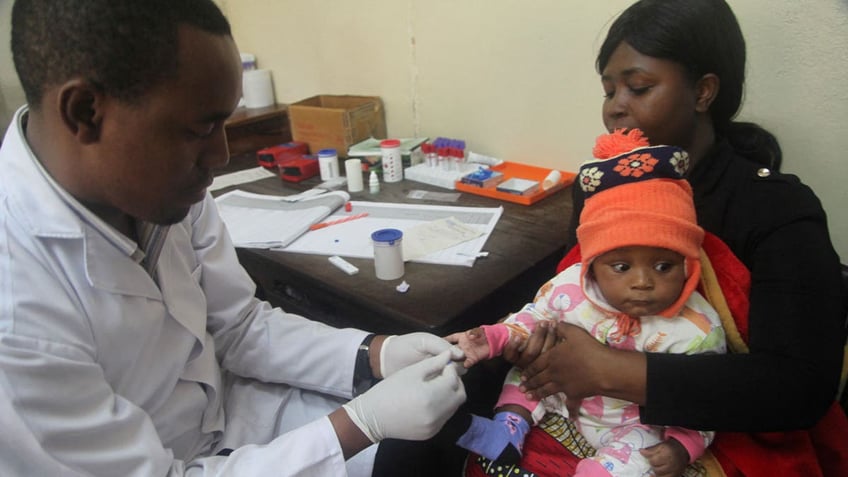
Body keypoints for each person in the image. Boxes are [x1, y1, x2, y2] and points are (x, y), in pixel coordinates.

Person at [0, 1, 467, 476]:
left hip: (234, 416)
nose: (220, 155)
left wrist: (376, 353)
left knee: (430, 443)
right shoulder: (18, 316)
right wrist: (360, 424)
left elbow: (239, 326)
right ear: (85, 112)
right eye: (201, 129)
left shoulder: (161, 191)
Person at [466, 0, 847, 476]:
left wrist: (610, 370)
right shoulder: (603, 190)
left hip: (706, 432)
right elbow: (573, 296)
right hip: (585, 410)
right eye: (609, 90)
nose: (616, 107)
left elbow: (800, 386)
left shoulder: (774, 208)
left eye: (639, 87)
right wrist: (533, 340)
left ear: (703, 92)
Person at [450, 129, 727, 476]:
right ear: (593, 263)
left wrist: (682, 447)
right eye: (622, 267)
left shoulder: (697, 329)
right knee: (526, 375)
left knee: (637, 460)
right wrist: (492, 338)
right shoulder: (572, 287)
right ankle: (508, 429)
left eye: (663, 266)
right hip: (559, 392)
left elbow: (705, 399)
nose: (643, 281)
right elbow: (533, 317)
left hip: (633, 425)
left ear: (688, 262)